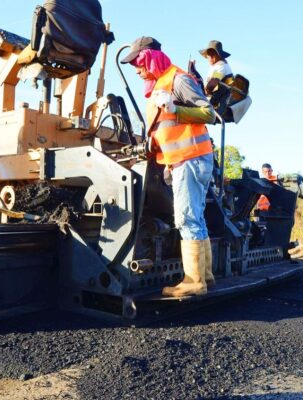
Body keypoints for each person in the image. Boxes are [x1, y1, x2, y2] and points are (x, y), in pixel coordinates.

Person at [121, 36, 216, 297]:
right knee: (196, 217)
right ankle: (206, 276)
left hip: (191, 158)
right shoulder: (161, 86)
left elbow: (209, 113)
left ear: (150, 58)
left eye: (138, 64)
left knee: (186, 218)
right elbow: (167, 128)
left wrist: (175, 108)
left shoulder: (178, 80)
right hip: (186, 159)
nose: (137, 71)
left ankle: (194, 282)